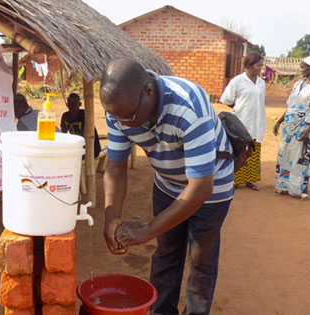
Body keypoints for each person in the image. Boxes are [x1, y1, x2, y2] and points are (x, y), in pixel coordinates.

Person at [99, 59, 234, 315]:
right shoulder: (119, 109)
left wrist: (148, 229)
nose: (123, 124)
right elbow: (115, 167)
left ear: (149, 91)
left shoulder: (189, 107)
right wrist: (111, 217)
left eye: (128, 117)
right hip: (167, 185)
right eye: (117, 117)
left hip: (211, 190)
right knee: (166, 254)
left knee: (201, 262)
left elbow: (200, 188)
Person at [273, 55, 310, 199]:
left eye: (304, 67)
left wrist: (307, 130)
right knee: (285, 153)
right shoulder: (298, 84)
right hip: (289, 126)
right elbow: (291, 105)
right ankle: (284, 185)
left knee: (302, 156)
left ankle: (301, 188)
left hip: (304, 126)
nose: (301, 69)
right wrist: (279, 121)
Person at [219, 51, 266, 190]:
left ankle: (250, 180)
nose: (261, 68)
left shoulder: (261, 83)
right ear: (250, 65)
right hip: (241, 122)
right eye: (258, 65)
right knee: (239, 150)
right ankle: (234, 180)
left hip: (257, 120)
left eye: (262, 66)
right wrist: (239, 109)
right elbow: (226, 99)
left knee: (253, 150)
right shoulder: (237, 81)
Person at [60, 93, 101, 158]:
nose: (73, 105)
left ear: (80, 104)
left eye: (75, 103)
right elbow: (63, 134)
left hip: (91, 149)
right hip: (78, 147)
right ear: (67, 105)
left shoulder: (84, 115)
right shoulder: (65, 116)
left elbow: (83, 137)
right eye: (71, 103)